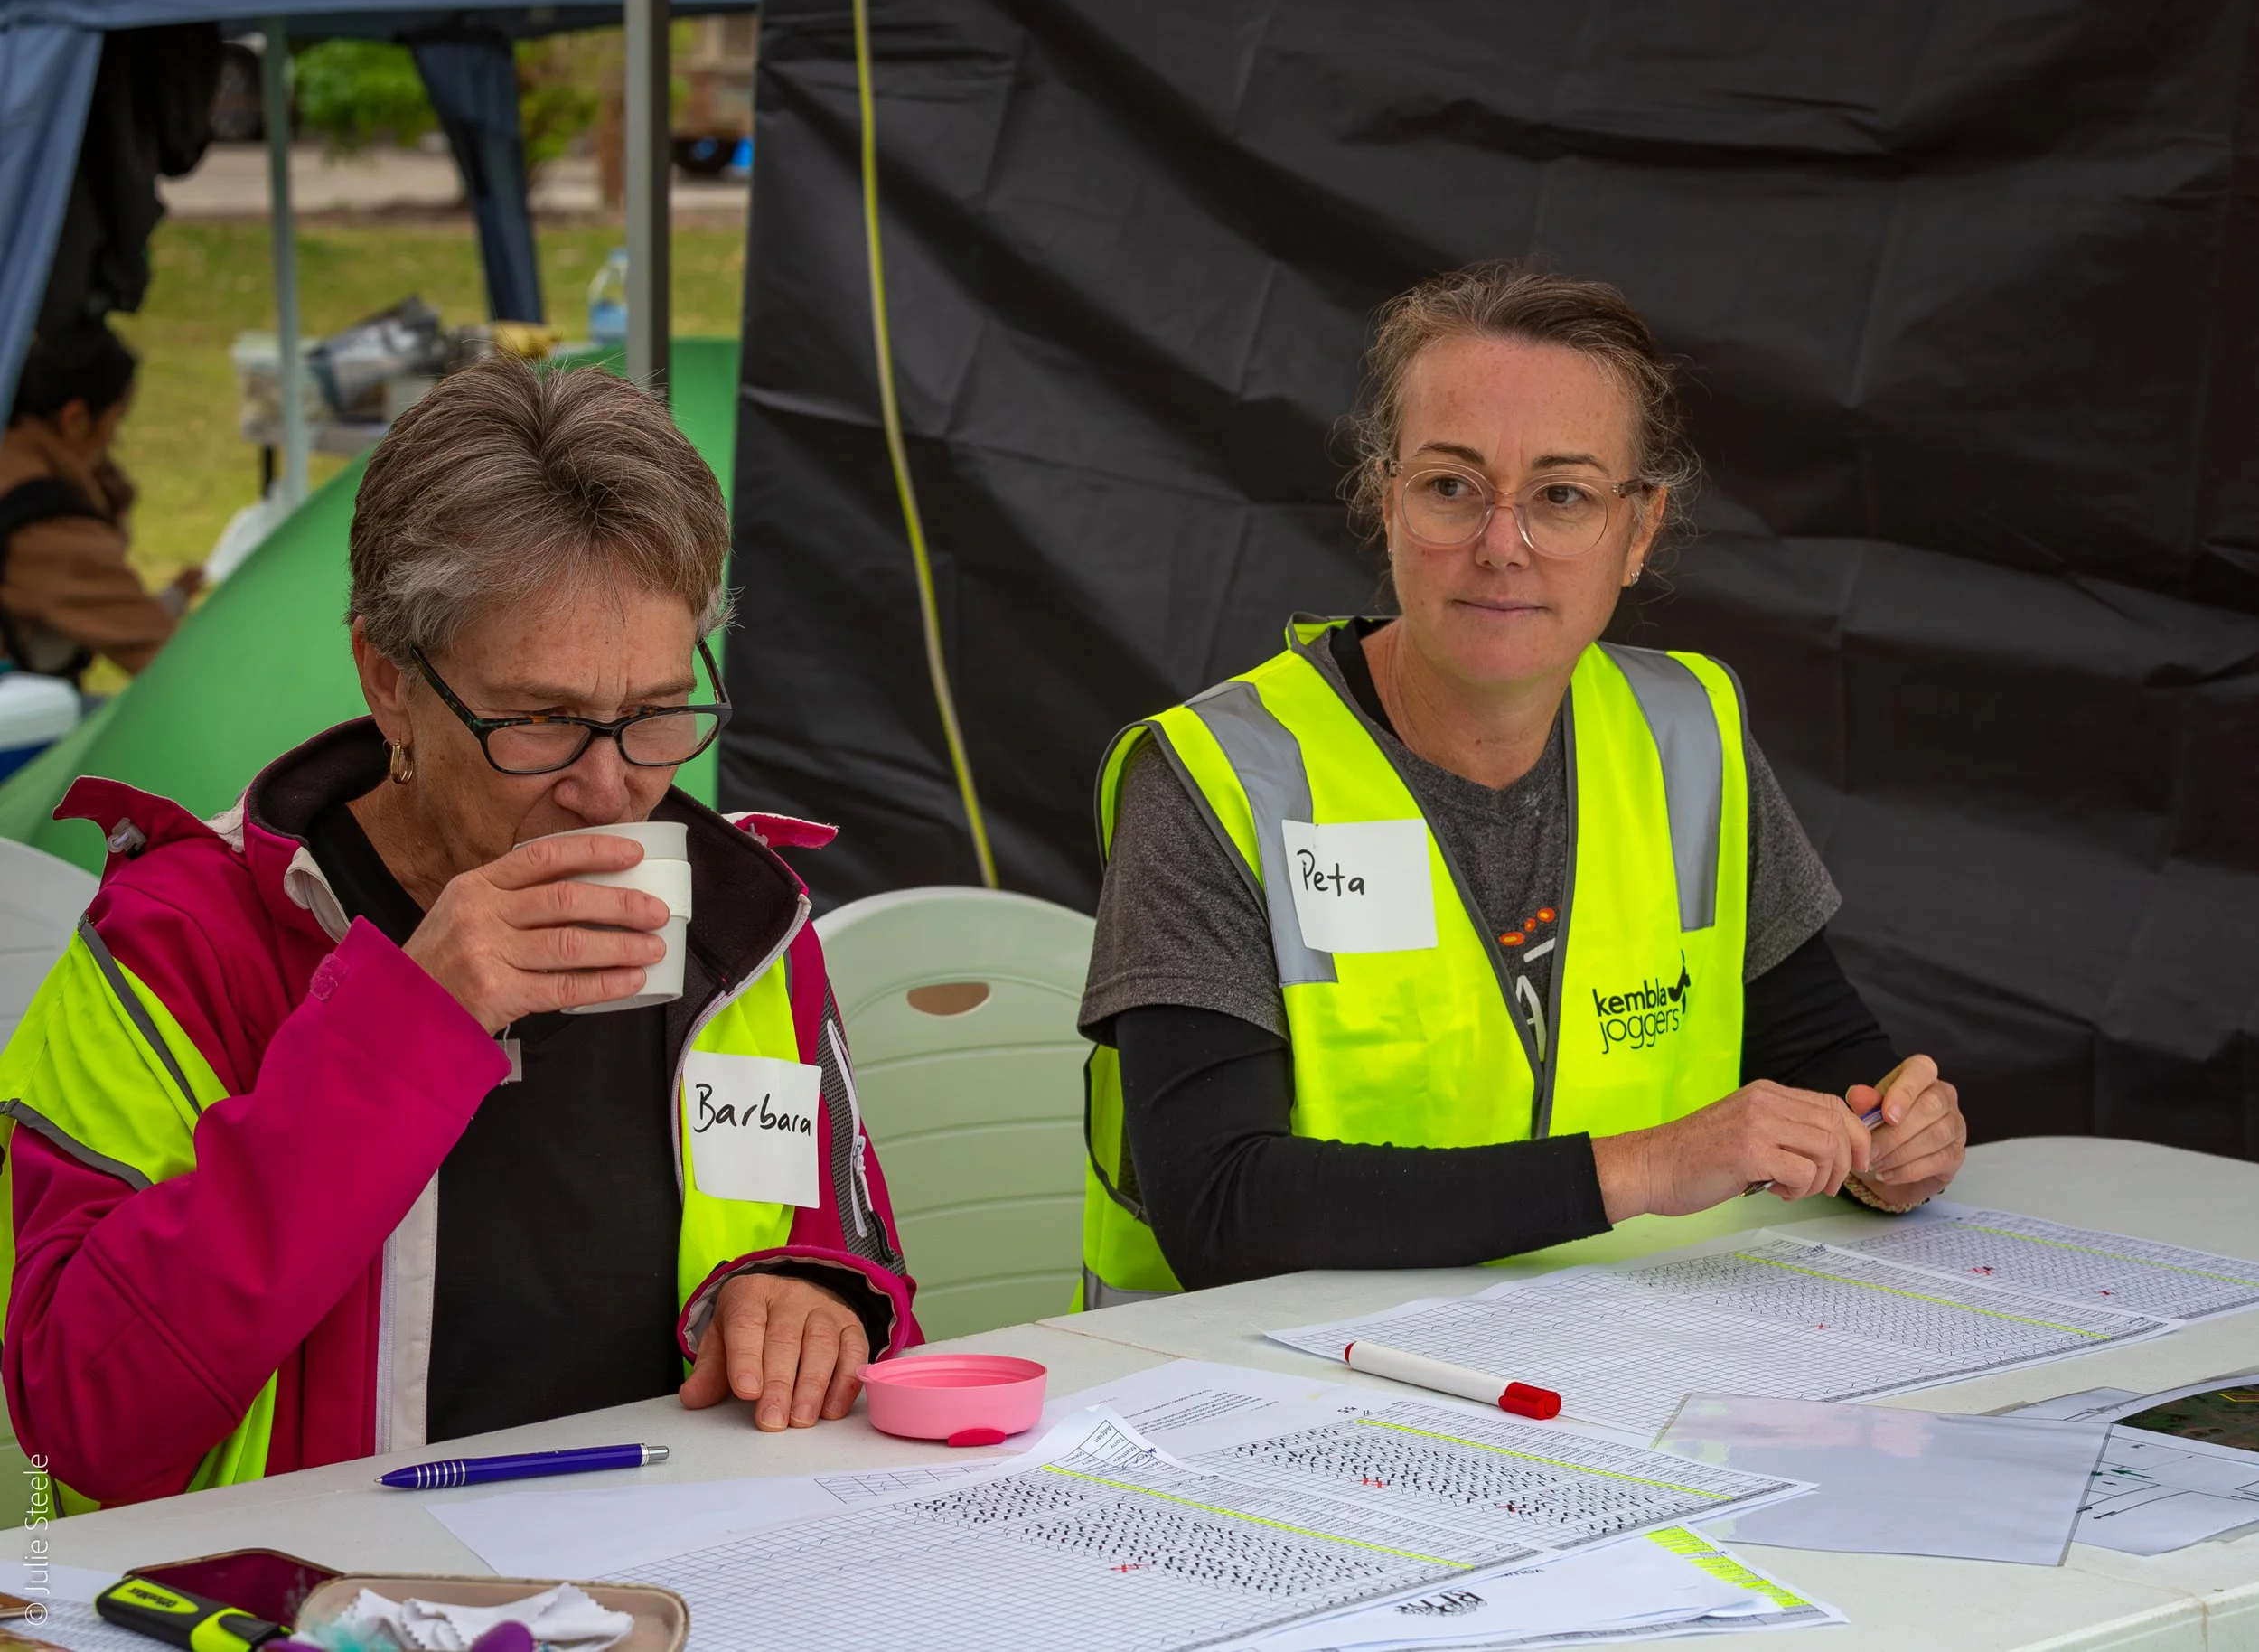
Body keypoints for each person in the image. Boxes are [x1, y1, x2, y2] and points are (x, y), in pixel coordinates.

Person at [0, 357, 919, 1509]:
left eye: (652, 713)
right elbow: (76, 1422)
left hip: (681, 1570)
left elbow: (838, 1250)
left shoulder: (741, 923)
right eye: (540, 720)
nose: (609, 789)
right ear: (388, 680)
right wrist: (399, 1031)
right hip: (317, 1600)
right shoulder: (179, 944)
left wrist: (812, 1297)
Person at [1078, 264, 1969, 1305]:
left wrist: (1891, 1137)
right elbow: (1222, 1211)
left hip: (1620, 1370)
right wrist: (1645, 1166)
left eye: (1563, 496)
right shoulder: (1220, 779)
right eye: (1452, 487)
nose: (1504, 546)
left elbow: (1827, 1055)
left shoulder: (1686, 734)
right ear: (1385, 501)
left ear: (1637, 531)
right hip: (1261, 1403)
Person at [0, 323, 200, 681]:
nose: (115, 442)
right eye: (116, 421)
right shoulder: (44, 521)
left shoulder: (14, 455)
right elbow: (169, 661)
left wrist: (170, 600)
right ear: (75, 418)